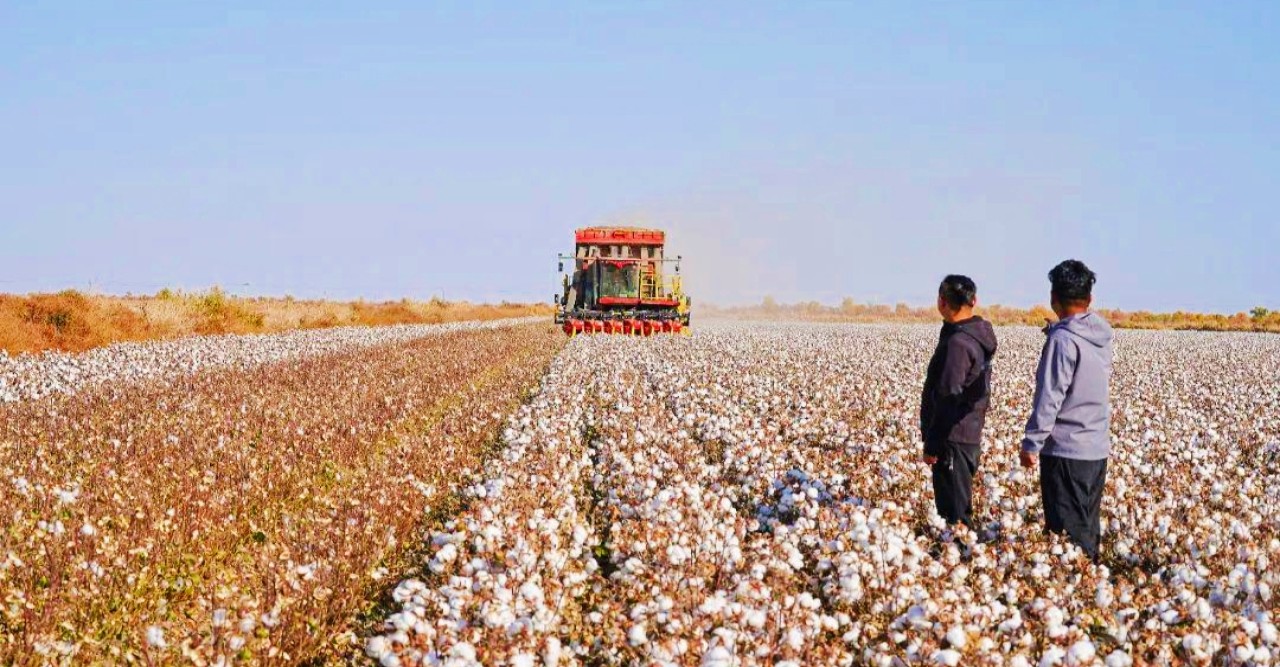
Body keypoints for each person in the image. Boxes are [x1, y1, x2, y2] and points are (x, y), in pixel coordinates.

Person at [1020, 259, 1114, 561]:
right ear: (1090, 299)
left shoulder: (1062, 340)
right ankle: (1089, 588)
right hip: (1095, 450)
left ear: (1054, 299)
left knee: (1065, 534)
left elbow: (1051, 396)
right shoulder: (1100, 336)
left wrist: (1032, 443)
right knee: (1085, 526)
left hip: (1065, 452)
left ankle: (1075, 594)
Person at [920, 275, 998, 530]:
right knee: (957, 504)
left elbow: (948, 395)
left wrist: (933, 443)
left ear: (941, 302)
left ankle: (960, 554)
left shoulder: (958, 343)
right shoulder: (974, 335)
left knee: (954, 513)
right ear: (974, 300)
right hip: (966, 433)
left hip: (952, 438)